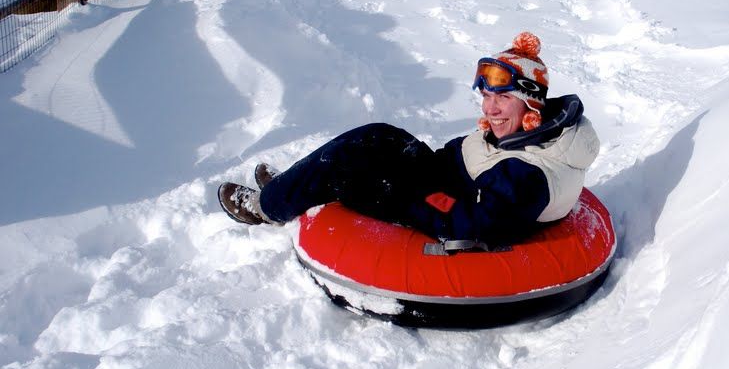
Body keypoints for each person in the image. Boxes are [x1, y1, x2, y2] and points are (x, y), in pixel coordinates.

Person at [218, 32, 600, 248]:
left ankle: (267, 207)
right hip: (443, 181)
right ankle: (292, 187)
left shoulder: (527, 174)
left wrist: (407, 194)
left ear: (530, 103)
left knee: (349, 171)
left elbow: (471, 225)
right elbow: (468, 160)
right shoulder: (523, 132)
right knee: (378, 136)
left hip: (442, 208)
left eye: (502, 97)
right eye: (486, 96)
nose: (491, 108)